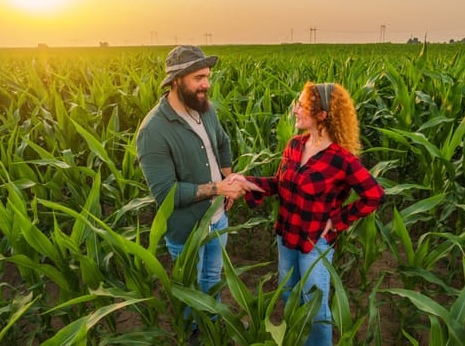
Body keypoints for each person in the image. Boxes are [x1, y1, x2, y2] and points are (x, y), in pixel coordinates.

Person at [231, 81, 385, 345]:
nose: (295, 110)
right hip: (286, 236)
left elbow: (374, 195)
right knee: (290, 297)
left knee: (315, 309)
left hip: (315, 244)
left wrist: (338, 220)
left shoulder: (342, 159)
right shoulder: (294, 145)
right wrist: (247, 183)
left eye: (301, 106)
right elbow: (280, 184)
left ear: (322, 115)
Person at [136, 45, 262, 303]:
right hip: (187, 230)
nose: (206, 85)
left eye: (207, 76)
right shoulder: (154, 130)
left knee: (212, 280)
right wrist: (219, 188)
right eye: (198, 78)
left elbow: (223, 142)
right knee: (191, 292)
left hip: (218, 219)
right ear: (175, 81)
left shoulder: (205, 109)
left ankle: (212, 328)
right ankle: (195, 334)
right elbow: (166, 193)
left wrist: (229, 177)